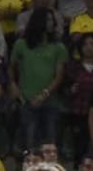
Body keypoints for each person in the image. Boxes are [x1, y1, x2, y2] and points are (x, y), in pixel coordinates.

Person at [10, 10, 67, 149]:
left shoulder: (59, 47)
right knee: (30, 145)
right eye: (47, 20)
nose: (51, 23)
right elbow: (11, 68)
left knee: (50, 145)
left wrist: (44, 95)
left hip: (51, 102)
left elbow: (59, 76)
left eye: (52, 20)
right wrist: (13, 85)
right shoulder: (21, 45)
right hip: (27, 100)